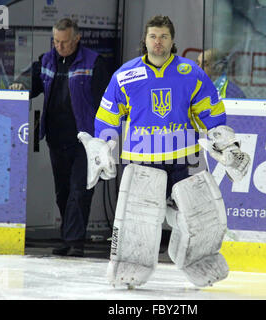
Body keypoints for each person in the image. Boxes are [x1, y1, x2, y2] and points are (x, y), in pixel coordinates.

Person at [78, 16, 250, 288]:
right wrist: (102, 146)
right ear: (144, 41)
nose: (158, 42)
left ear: (173, 40)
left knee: (203, 216)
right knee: (138, 222)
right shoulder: (125, 75)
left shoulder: (190, 72)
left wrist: (227, 145)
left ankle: (199, 259)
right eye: (153, 37)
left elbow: (211, 113)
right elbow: (108, 116)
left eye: (164, 37)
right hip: (142, 160)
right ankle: (129, 265)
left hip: (187, 158)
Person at [10, 18, 110, 257]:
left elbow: (106, 102)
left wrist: (104, 138)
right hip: (56, 138)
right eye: (56, 41)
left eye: (65, 42)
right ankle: (68, 237)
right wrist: (18, 85)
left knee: (79, 191)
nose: (60, 46)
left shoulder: (94, 63)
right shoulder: (47, 60)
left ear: (77, 39)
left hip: (85, 142)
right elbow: (30, 83)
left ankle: (75, 241)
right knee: (63, 192)